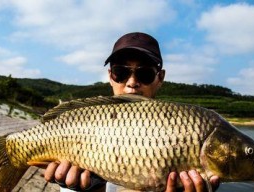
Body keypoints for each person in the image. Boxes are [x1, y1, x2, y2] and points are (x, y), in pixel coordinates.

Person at [44, 32, 220, 192]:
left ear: (160, 78)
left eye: (144, 74)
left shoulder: (182, 127)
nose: (132, 82)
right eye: (121, 73)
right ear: (110, 76)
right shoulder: (82, 126)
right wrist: (91, 188)